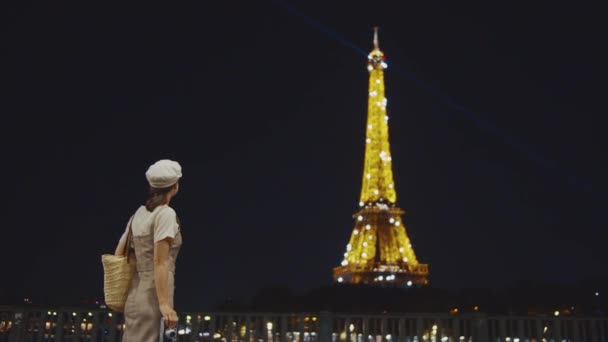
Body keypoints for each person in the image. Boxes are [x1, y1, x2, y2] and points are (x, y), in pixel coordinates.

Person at [114, 159, 183, 341]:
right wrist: (164, 304)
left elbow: (119, 253)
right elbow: (160, 261)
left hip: (135, 293)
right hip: (154, 295)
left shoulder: (138, 214)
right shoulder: (166, 214)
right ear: (174, 187)